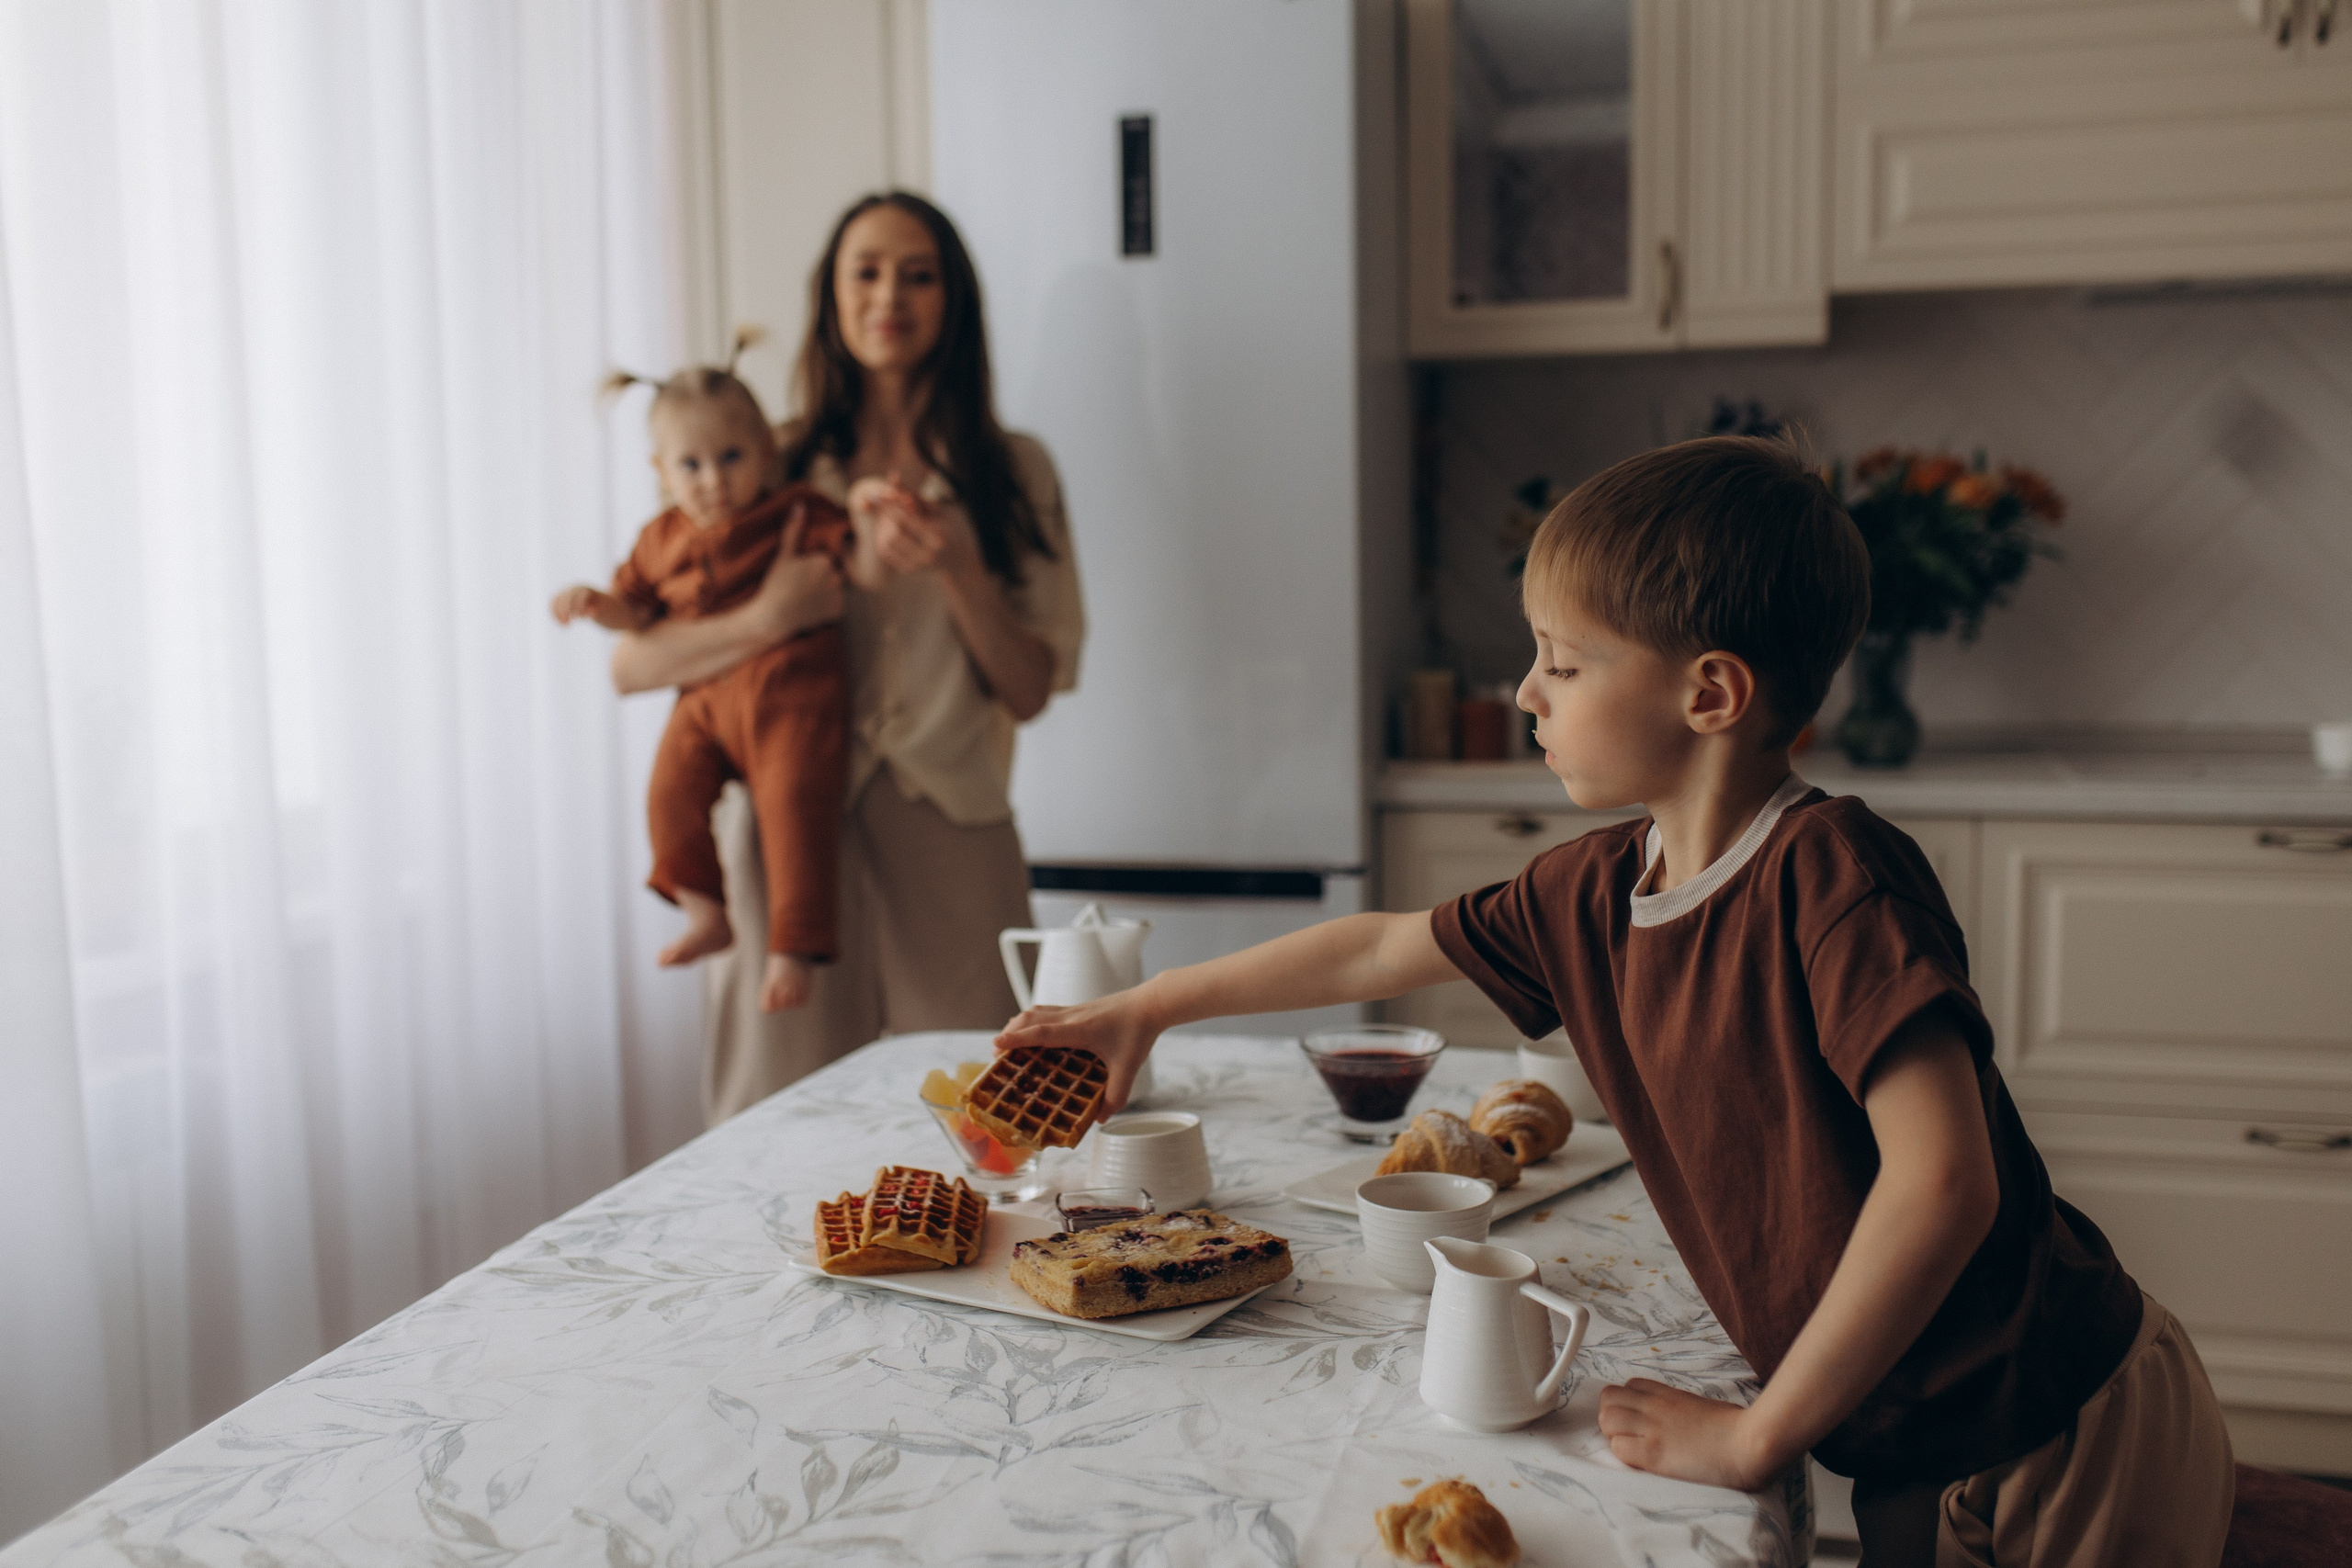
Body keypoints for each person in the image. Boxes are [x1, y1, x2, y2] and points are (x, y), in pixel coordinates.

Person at [995, 436, 2234, 1568]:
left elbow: (1945, 1183)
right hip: (1905, 1437)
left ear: (1710, 694)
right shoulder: (1592, 890)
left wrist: (1754, 1440)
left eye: (1564, 661)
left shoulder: (1834, 877)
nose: (1526, 692)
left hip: (2054, 1425)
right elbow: (1375, 946)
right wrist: (1149, 1006)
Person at [612, 191, 1084, 1123]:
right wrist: (769, 616)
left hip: (954, 831)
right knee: (768, 1125)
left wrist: (959, 566)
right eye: (865, 272)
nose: (889, 296)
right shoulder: (762, 458)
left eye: (918, 275)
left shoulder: (1013, 471)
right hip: (784, 841)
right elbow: (632, 665)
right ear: (830, 294)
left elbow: (1030, 690)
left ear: (954, 298)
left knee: (987, 1123)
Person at [553, 340, 887, 1012]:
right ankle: (704, 911)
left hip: (792, 697)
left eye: (731, 457)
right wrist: (597, 604)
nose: (713, 480)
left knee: (795, 806)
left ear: (764, 450)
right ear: (661, 470)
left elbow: (859, 567)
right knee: (667, 792)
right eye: (691, 465)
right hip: (704, 704)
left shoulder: (794, 511)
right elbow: (636, 612)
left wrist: (870, 518)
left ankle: (793, 947)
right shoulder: (659, 539)